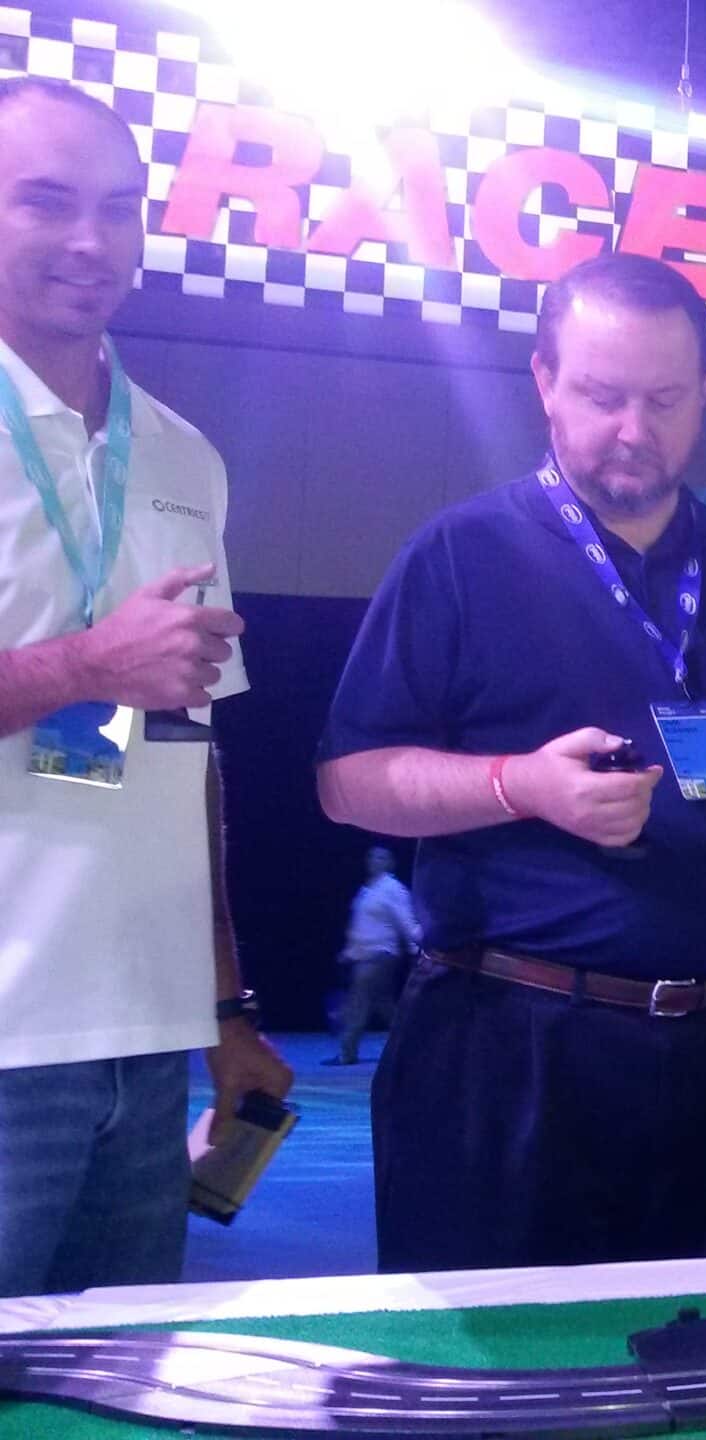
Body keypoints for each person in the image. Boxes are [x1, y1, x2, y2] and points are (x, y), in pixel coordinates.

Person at [315, 253, 706, 1272]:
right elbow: (348, 780)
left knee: (698, 1347)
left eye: (664, 399)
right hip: (508, 1048)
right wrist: (519, 786)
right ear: (545, 382)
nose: (634, 430)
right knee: (498, 1358)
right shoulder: (459, 556)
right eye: (604, 397)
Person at [0, 76, 291, 1297]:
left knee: (111, 1382)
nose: (90, 240)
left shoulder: (184, 455)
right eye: (45, 201)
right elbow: (106, 681)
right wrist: (80, 667)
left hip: (147, 1038)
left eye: (118, 207)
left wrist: (222, 1005)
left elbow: (188, 753)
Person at [325, 846, 421, 1066]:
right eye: (372, 856)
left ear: (390, 863)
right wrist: (349, 953)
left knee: (358, 1002)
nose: (374, 860)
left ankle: (347, 1053)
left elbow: (406, 921)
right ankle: (412, 1046)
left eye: (381, 857)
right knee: (384, 1004)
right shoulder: (367, 890)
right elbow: (361, 927)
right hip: (365, 955)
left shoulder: (392, 889)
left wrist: (417, 949)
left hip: (381, 955)